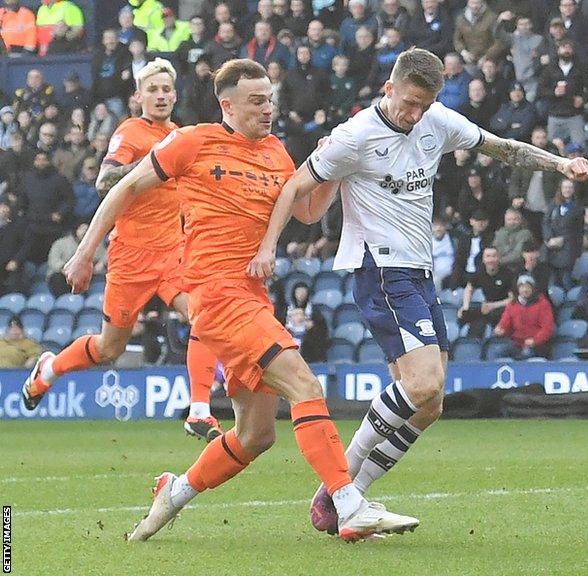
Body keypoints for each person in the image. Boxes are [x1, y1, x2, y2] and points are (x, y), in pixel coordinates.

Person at [57, 58, 420, 542]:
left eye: (270, 99)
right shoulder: (193, 141)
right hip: (214, 293)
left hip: (251, 297)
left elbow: (308, 212)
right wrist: (85, 253)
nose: (267, 109)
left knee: (256, 435)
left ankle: (175, 490)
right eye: (256, 101)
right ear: (227, 104)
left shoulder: (276, 153)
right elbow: (125, 186)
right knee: (304, 384)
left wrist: (334, 166)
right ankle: (347, 502)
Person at [265, 48, 588, 528]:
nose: (414, 115)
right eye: (408, 103)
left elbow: (502, 147)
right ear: (389, 89)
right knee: (423, 384)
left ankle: (351, 501)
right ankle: (339, 490)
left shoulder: (436, 120)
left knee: (430, 404)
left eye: (424, 105)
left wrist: (558, 165)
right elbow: (294, 188)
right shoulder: (354, 137)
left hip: (418, 274)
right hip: (381, 270)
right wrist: (268, 247)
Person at [22, 58, 224, 442]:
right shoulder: (131, 132)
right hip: (131, 256)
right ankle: (49, 368)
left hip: (174, 253)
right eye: (153, 89)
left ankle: (200, 409)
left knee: (205, 315)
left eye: (167, 89)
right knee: (108, 347)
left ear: (175, 94)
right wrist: (156, 161)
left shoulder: (180, 135)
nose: (161, 95)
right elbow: (104, 181)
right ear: (138, 97)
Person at [492, 274, 555, 359]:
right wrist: (500, 330)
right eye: (522, 287)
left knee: (526, 354)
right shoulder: (512, 304)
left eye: (528, 287)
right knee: (498, 352)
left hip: (537, 345)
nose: (525, 290)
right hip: (516, 343)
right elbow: (505, 323)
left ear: (533, 289)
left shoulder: (543, 304)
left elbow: (547, 329)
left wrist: (534, 340)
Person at [46, 221, 106, 297]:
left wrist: (102, 263)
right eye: (82, 229)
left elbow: (105, 254)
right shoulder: (60, 243)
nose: (84, 232)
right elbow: (53, 261)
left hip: (86, 276)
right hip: (63, 275)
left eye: (87, 229)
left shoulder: (95, 243)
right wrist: (67, 270)